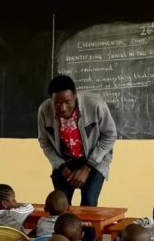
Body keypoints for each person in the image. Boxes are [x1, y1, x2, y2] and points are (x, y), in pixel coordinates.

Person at [36, 75, 118, 207]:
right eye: (57, 103)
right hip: (64, 162)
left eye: (67, 102)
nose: (62, 108)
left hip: (94, 160)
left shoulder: (95, 104)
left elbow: (110, 135)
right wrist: (61, 167)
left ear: (75, 95)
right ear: (51, 99)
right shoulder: (44, 111)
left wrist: (87, 167)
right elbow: (44, 142)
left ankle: (87, 229)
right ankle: (64, 227)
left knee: (89, 204)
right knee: (59, 205)